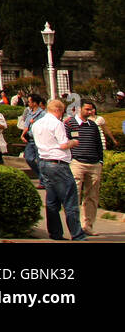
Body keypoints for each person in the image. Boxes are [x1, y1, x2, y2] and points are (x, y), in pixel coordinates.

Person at [31, 98, 86, 241]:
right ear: (58, 110)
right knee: (70, 199)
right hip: (58, 163)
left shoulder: (37, 124)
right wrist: (74, 142)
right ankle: (77, 234)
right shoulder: (57, 123)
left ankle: (55, 233)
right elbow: (63, 144)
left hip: (43, 162)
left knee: (52, 200)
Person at [65, 100, 107, 236]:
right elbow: (64, 141)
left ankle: (88, 225)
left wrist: (100, 160)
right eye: (88, 109)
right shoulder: (69, 123)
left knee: (92, 197)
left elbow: (98, 144)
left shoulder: (93, 125)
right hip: (77, 163)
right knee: (74, 195)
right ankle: (75, 228)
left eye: (92, 109)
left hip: (94, 164)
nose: (91, 112)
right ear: (79, 109)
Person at [19, 94, 47, 187]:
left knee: (40, 161)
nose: (28, 103)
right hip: (30, 139)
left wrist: (35, 122)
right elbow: (26, 125)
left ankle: (43, 181)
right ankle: (40, 176)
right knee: (29, 158)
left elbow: (44, 126)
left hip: (38, 140)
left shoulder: (43, 114)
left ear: (35, 103)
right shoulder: (29, 113)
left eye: (29, 101)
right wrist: (23, 135)